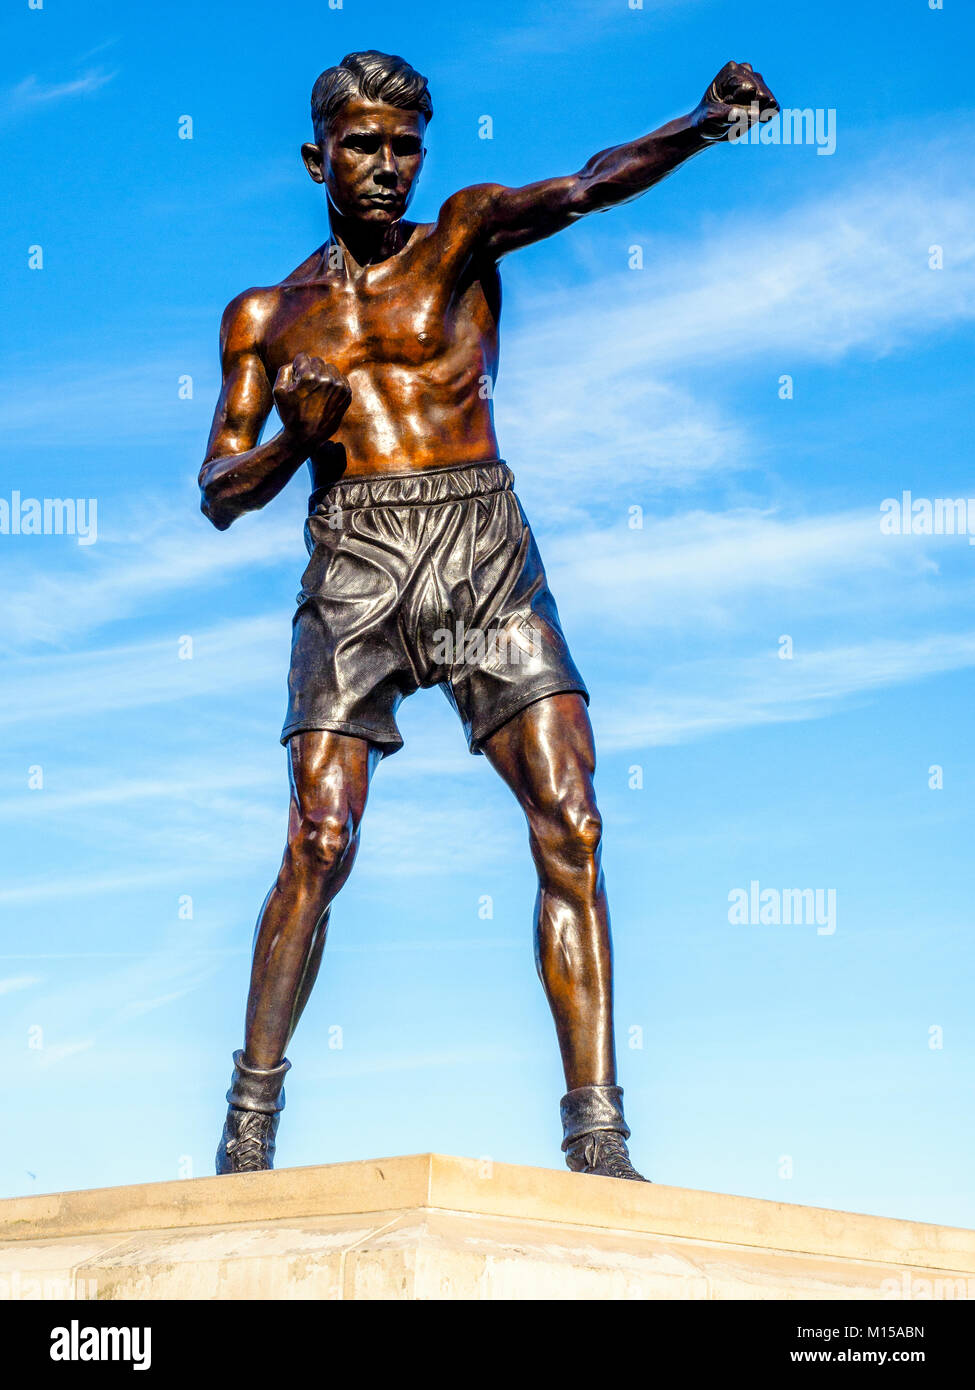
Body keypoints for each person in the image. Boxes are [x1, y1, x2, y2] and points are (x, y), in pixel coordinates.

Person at [200, 50, 778, 1179]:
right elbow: (219, 493)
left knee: (573, 820)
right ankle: (249, 1125)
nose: (384, 167)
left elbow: (585, 183)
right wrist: (296, 438)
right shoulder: (267, 314)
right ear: (317, 157)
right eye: (362, 146)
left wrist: (703, 126)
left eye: (404, 145)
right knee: (320, 841)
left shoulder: (461, 235)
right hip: (354, 562)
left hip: (480, 545)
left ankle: (598, 1136)